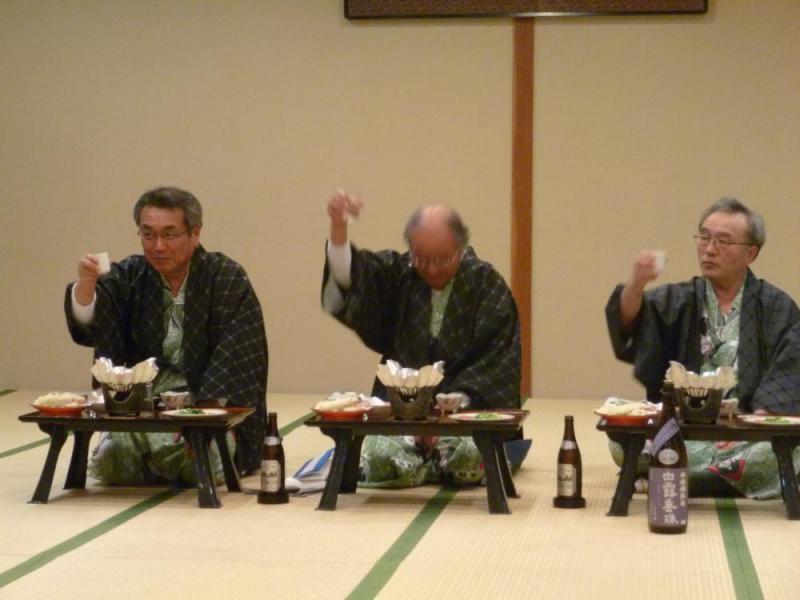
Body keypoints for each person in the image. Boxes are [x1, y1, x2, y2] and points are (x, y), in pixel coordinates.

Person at [65, 186, 268, 484]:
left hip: (203, 397)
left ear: (195, 233)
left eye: (169, 235)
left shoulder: (225, 276)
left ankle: (165, 459)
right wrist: (86, 284)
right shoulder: (130, 275)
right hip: (144, 403)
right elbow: (94, 325)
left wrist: (205, 413)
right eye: (148, 234)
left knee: (206, 462)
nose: (158, 246)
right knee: (112, 463)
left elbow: (237, 350)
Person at [321, 189, 523, 488]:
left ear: (461, 247)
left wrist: (449, 411)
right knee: (379, 455)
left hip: (466, 418)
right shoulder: (400, 274)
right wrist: (339, 229)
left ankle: (427, 463)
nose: (432, 268)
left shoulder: (486, 284)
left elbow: (498, 362)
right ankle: (424, 463)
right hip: (402, 416)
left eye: (442, 258)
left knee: (469, 456)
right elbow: (350, 277)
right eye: (422, 258)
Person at [606, 197, 800, 498]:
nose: (709, 249)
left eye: (723, 241)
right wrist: (637, 282)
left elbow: (789, 370)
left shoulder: (776, 306)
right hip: (684, 428)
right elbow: (630, 321)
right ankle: (718, 478)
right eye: (705, 238)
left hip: (744, 433)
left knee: (781, 450)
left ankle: (669, 477)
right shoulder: (682, 299)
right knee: (619, 425)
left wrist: (757, 425)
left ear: (750, 252)